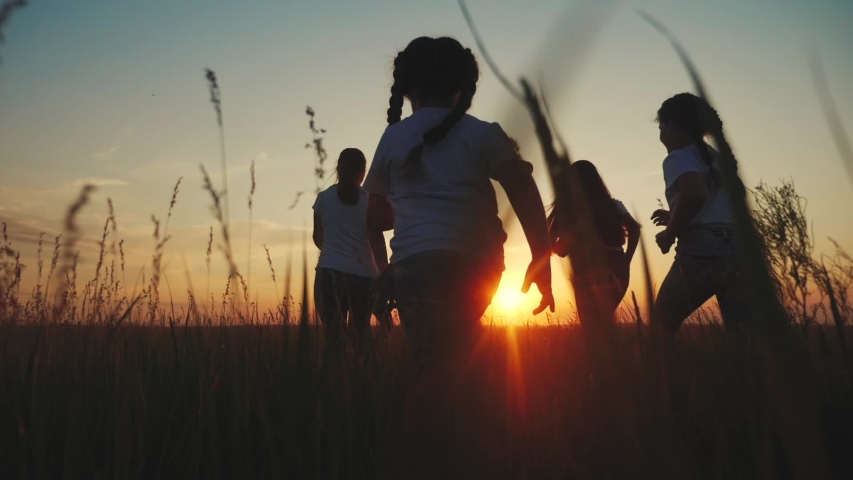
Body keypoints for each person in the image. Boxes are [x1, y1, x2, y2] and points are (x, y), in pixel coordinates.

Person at [363, 36, 554, 367]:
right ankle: (474, 406)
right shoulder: (483, 133)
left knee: (431, 360)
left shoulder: (394, 137)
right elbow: (523, 188)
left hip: (416, 264)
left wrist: (388, 265)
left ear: (406, 88)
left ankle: (446, 411)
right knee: (458, 349)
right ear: (463, 87)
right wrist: (541, 257)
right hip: (479, 262)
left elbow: (374, 216)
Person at [650, 92, 751, 336]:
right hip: (737, 250)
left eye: (660, 125)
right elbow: (726, 202)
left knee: (659, 327)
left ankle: (665, 375)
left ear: (671, 123)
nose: (660, 133)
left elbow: (695, 193)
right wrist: (675, 214)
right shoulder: (714, 158)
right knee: (743, 338)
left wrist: (670, 233)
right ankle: (749, 375)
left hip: (701, 253)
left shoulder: (678, 157)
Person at [312, 148, 387, 350]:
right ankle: (363, 378)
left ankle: (336, 379)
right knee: (361, 335)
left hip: (329, 274)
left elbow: (318, 239)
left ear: (338, 168)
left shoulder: (322, 199)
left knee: (333, 338)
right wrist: (383, 272)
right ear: (362, 172)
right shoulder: (369, 201)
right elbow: (377, 239)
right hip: (363, 276)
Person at [547, 160, 641, 316]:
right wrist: (626, 259)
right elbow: (635, 228)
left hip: (588, 271)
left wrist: (567, 244)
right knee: (602, 323)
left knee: (593, 326)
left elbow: (549, 241)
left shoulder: (568, 210)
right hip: (617, 268)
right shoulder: (612, 206)